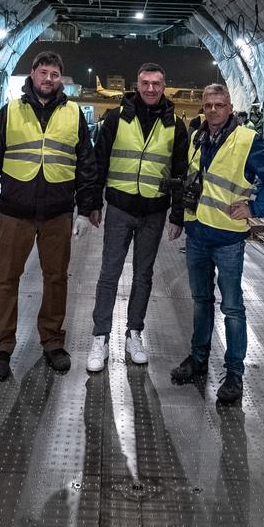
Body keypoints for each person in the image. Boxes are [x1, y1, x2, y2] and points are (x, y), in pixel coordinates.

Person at [0, 52, 100, 381]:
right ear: (32, 75)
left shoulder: (74, 114)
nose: (48, 78)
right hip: (14, 213)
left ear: (61, 79)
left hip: (57, 213)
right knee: (6, 280)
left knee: (56, 279)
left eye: (55, 74)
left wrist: (85, 210)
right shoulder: (10, 113)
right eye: (43, 72)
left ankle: (52, 342)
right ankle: (2, 347)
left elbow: (86, 165)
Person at [171, 84, 264, 404]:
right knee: (200, 301)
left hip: (227, 239)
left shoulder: (247, 140)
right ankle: (198, 359)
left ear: (229, 106)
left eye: (218, 105)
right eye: (208, 105)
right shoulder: (198, 137)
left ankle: (234, 373)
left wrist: (254, 209)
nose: (212, 110)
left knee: (233, 308)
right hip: (197, 235)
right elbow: (192, 182)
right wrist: (181, 218)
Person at [86, 63, 188, 372]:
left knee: (143, 276)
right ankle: (100, 337)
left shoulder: (175, 126)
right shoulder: (116, 118)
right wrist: (94, 202)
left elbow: (180, 173)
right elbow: (99, 161)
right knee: (109, 274)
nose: (151, 89)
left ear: (164, 86)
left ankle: (134, 333)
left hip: (154, 212)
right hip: (119, 208)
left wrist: (178, 215)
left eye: (157, 83)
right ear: (137, 84)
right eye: (145, 82)